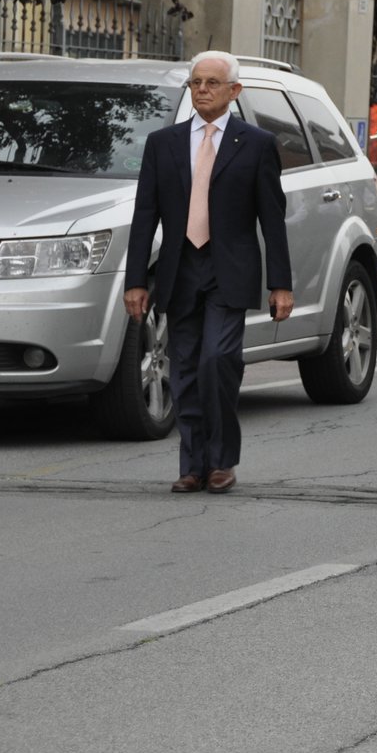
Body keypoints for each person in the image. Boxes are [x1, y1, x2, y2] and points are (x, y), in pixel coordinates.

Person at [125, 50, 293, 494]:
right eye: (196, 82)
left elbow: (272, 219)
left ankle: (222, 461)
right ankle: (193, 465)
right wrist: (136, 281)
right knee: (184, 369)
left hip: (229, 270)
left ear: (234, 91)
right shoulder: (164, 145)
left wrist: (281, 285)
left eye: (212, 83)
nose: (202, 89)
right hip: (181, 269)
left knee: (217, 359)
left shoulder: (255, 144)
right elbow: (145, 216)